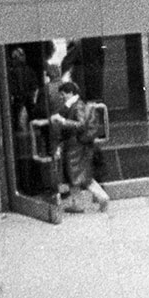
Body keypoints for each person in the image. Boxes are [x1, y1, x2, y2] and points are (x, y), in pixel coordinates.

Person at [47, 78, 109, 214]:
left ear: (69, 93)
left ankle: (102, 197)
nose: (61, 97)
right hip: (74, 147)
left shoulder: (78, 106)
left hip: (76, 148)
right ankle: (77, 204)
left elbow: (81, 125)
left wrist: (63, 121)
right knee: (73, 177)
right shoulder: (71, 105)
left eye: (63, 94)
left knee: (81, 177)